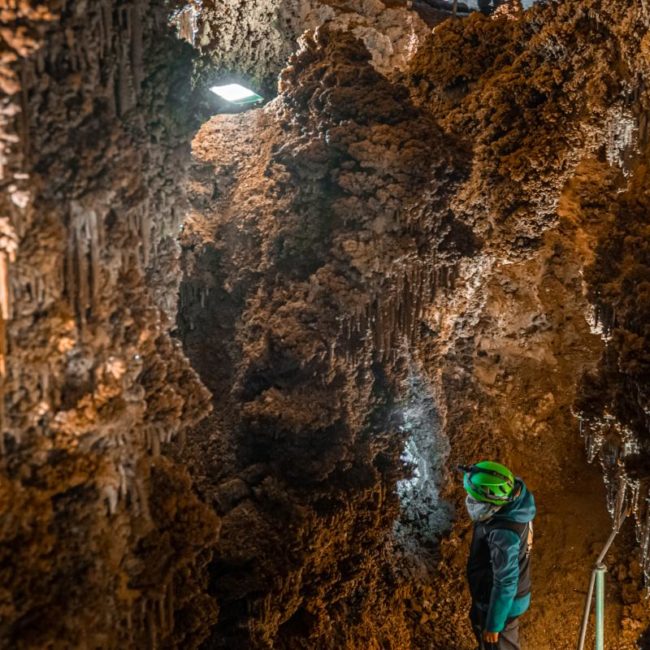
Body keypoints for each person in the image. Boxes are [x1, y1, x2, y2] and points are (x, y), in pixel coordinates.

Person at [459, 461, 536, 650]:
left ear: (490, 501)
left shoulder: (504, 533)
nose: (470, 500)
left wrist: (494, 625)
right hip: (497, 598)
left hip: (503, 604)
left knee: (499, 643)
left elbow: (506, 582)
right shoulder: (516, 502)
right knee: (481, 629)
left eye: (474, 498)